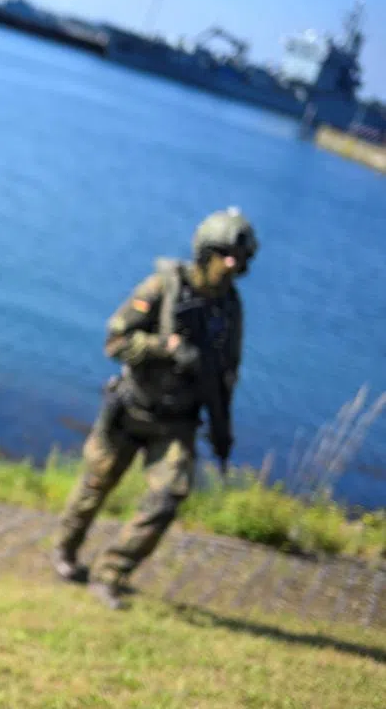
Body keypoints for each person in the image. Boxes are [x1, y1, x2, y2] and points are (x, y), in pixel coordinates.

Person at [50, 209, 259, 609]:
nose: (234, 266)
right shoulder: (164, 286)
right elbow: (116, 343)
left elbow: (226, 373)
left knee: (168, 497)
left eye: (242, 259)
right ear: (207, 252)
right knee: (95, 487)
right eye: (227, 255)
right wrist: (165, 348)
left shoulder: (230, 309)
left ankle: (112, 572)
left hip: (177, 422)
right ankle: (65, 551)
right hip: (131, 409)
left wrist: (222, 426)